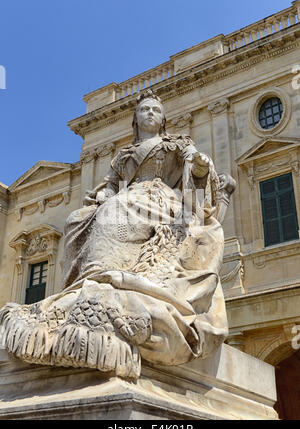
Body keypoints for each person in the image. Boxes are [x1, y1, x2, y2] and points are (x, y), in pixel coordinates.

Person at [0, 90, 228, 379]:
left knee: (117, 209)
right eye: (144, 109)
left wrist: (198, 167)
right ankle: (92, 276)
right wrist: (102, 197)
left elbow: (195, 175)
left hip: (159, 198)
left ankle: (109, 276)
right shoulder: (124, 156)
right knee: (78, 218)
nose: (149, 113)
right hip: (126, 198)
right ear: (135, 118)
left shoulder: (174, 146)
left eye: (154, 110)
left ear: (162, 119)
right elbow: (111, 185)